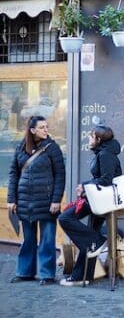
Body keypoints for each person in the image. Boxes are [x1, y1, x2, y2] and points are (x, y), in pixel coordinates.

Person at [58, 125, 122, 286]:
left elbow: (106, 180)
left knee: (65, 217)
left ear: (98, 140)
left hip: (103, 200)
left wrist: (85, 186)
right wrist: (86, 187)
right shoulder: (104, 152)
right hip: (98, 198)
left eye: (91, 136)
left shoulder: (106, 154)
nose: (89, 139)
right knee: (88, 236)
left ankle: (97, 241)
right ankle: (82, 276)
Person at [7, 116, 65, 285]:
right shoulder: (21, 148)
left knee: (47, 240)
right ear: (32, 130)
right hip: (25, 201)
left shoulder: (52, 148)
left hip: (46, 201)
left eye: (47, 127)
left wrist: (56, 200)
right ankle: (25, 272)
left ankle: (47, 275)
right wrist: (11, 199)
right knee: (28, 239)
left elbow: (60, 175)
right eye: (42, 127)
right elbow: (14, 174)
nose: (46, 130)